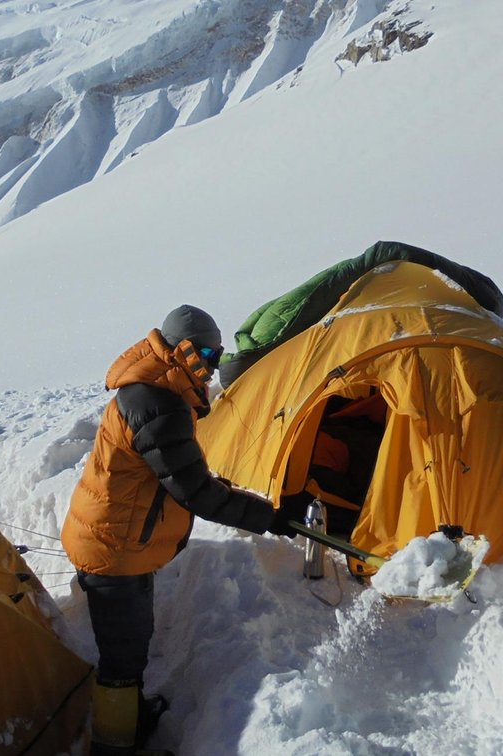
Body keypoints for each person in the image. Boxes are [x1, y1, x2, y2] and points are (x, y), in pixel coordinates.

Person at [61, 305, 296, 756]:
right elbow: (196, 493)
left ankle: (128, 714)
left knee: (131, 641)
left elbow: (176, 475)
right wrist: (269, 518)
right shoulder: (158, 404)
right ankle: (114, 743)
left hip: (118, 537)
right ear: (181, 350)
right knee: (122, 660)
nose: (211, 363)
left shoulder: (154, 392)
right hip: (115, 547)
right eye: (205, 352)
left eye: (217, 352)